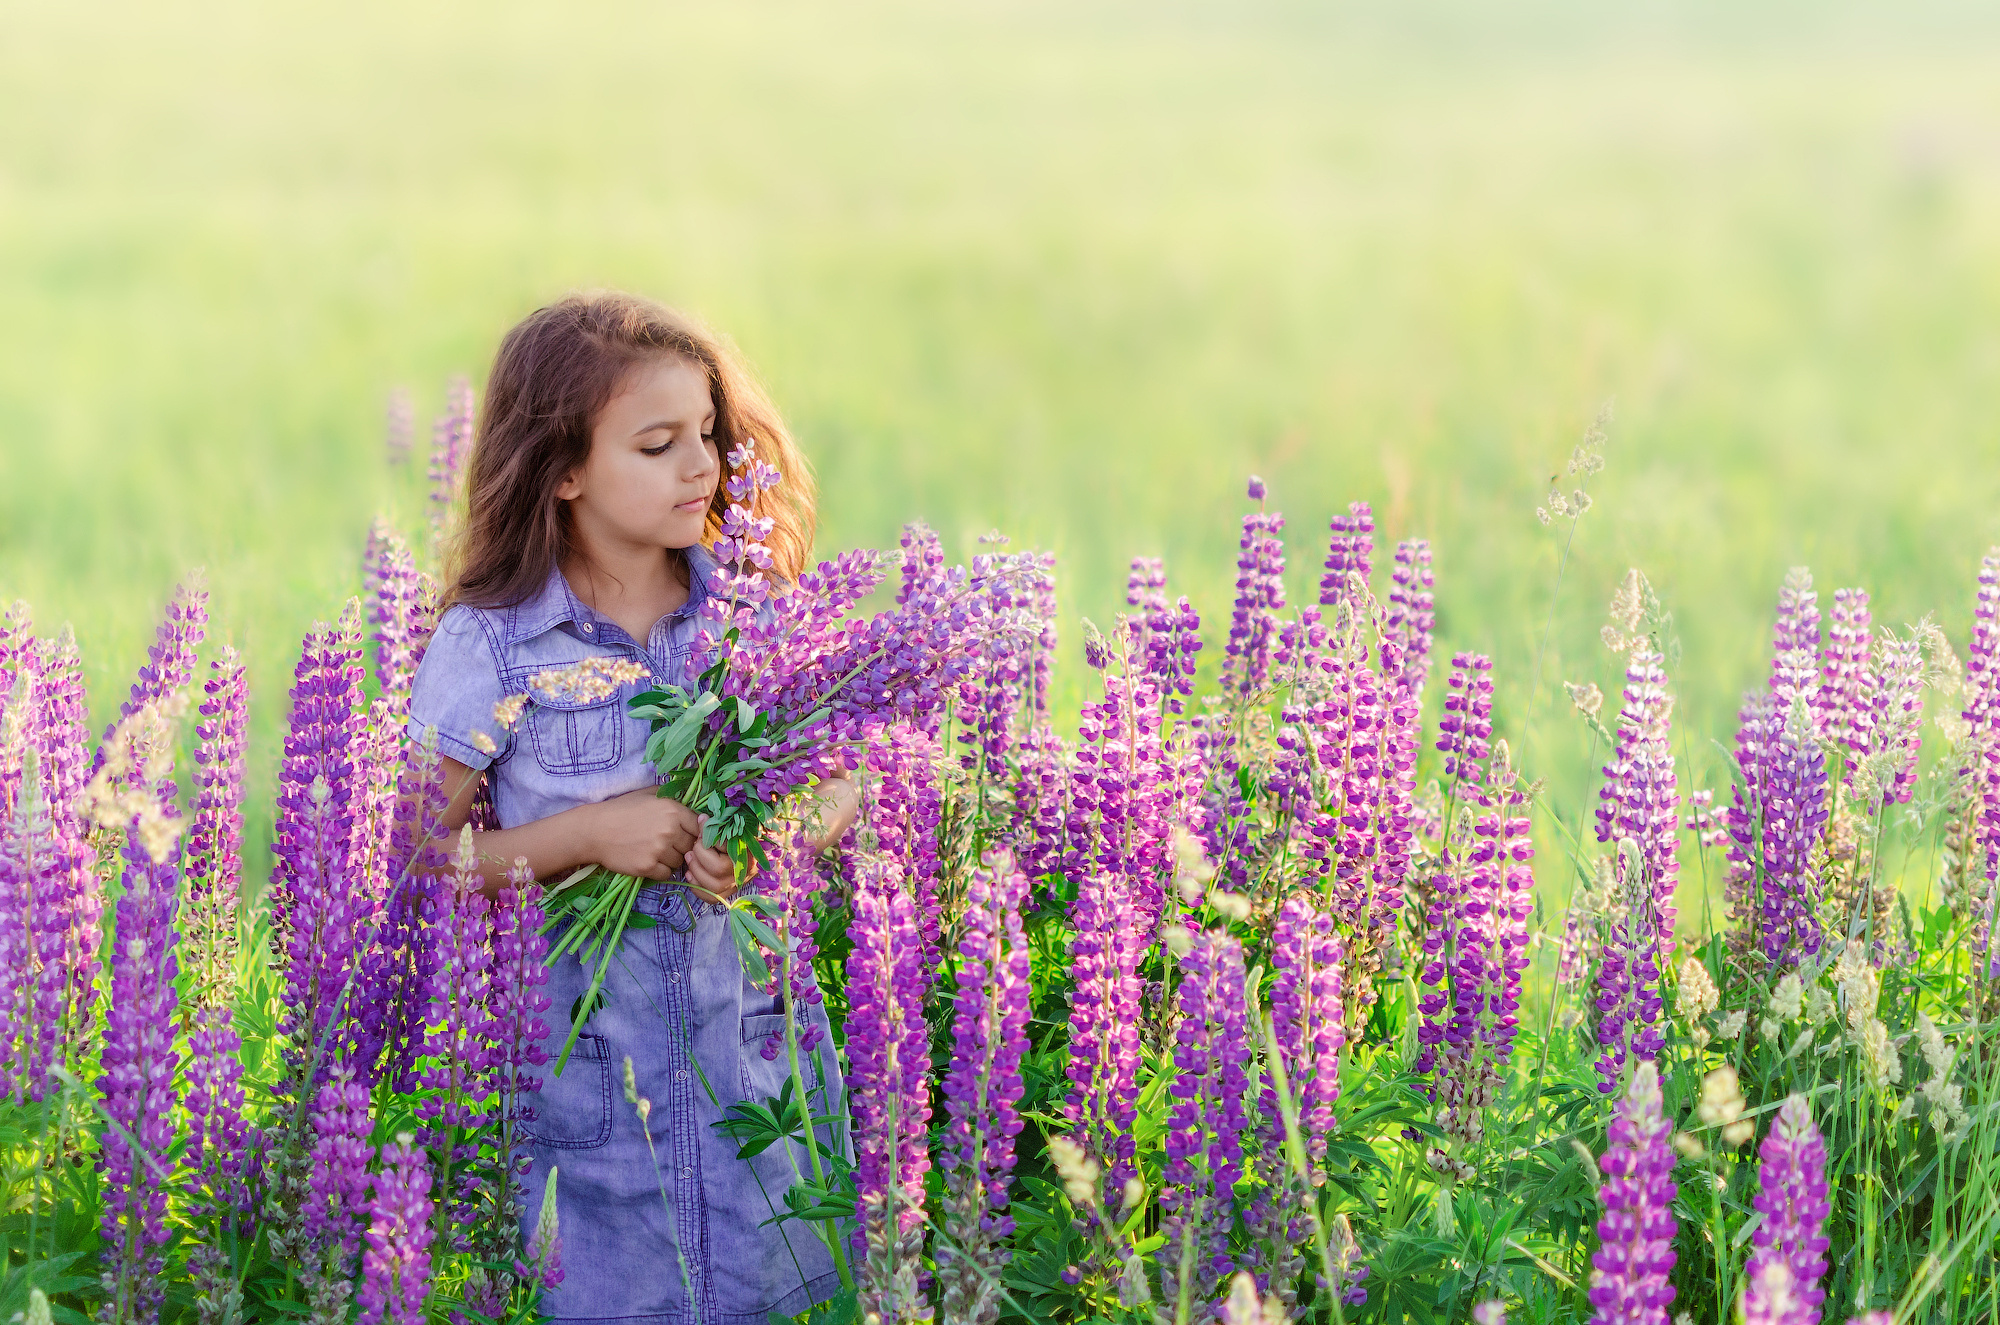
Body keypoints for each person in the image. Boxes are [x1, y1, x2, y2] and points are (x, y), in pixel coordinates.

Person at [407, 291, 858, 1324]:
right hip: (591, 1091)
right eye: (657, 445)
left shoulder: (748, 611)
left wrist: (774, 836)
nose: (700, 465)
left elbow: (844, 775)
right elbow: (418, 853)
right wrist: (587, 836)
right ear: (562, 471)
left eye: (706, 434)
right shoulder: (493, 645)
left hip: (754, 1072)